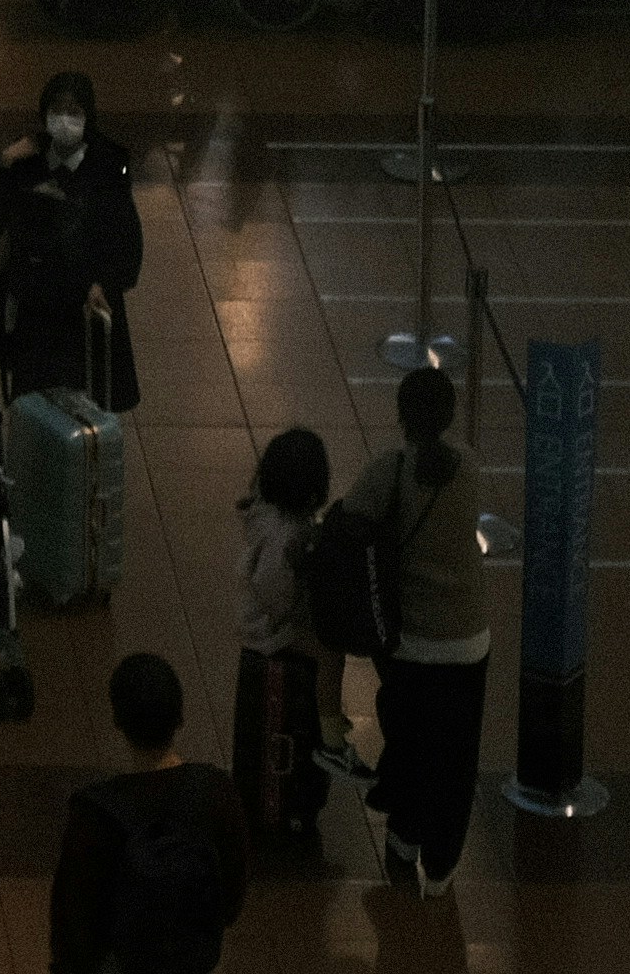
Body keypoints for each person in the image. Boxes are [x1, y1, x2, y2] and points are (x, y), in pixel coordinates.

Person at [346, 362, 500, 894]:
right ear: (451, 415)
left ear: (401, 415)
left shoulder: (388, 470)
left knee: (410, 745)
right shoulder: (470, 468)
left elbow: (349, 523)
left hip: (412, 641)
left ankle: (404, 840)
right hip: (468, 638)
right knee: (458, 757)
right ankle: (441, 868)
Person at [46, 653, 256, 974]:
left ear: (117, 721)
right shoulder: (215, 790)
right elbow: (231, 895)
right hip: (193, 958)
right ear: (180, 717)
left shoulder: (95, 812)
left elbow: (72, 923)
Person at [0, 70, 148, 411]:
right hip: (33, 310)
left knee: (83, 406)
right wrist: (5, 160)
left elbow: (126, 244)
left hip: (82, 312)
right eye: (57, 110)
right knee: (34, 407)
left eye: (74, 111)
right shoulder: (28, 160)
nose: (65, 119)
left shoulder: (106, 168)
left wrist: (102, 283)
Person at [230, 428, 337, 852]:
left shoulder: (266, 517)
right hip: (276, 639)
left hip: (263, 638)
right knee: (331, 656)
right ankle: (332, 741)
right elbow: (276, 594)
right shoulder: (284, 534)